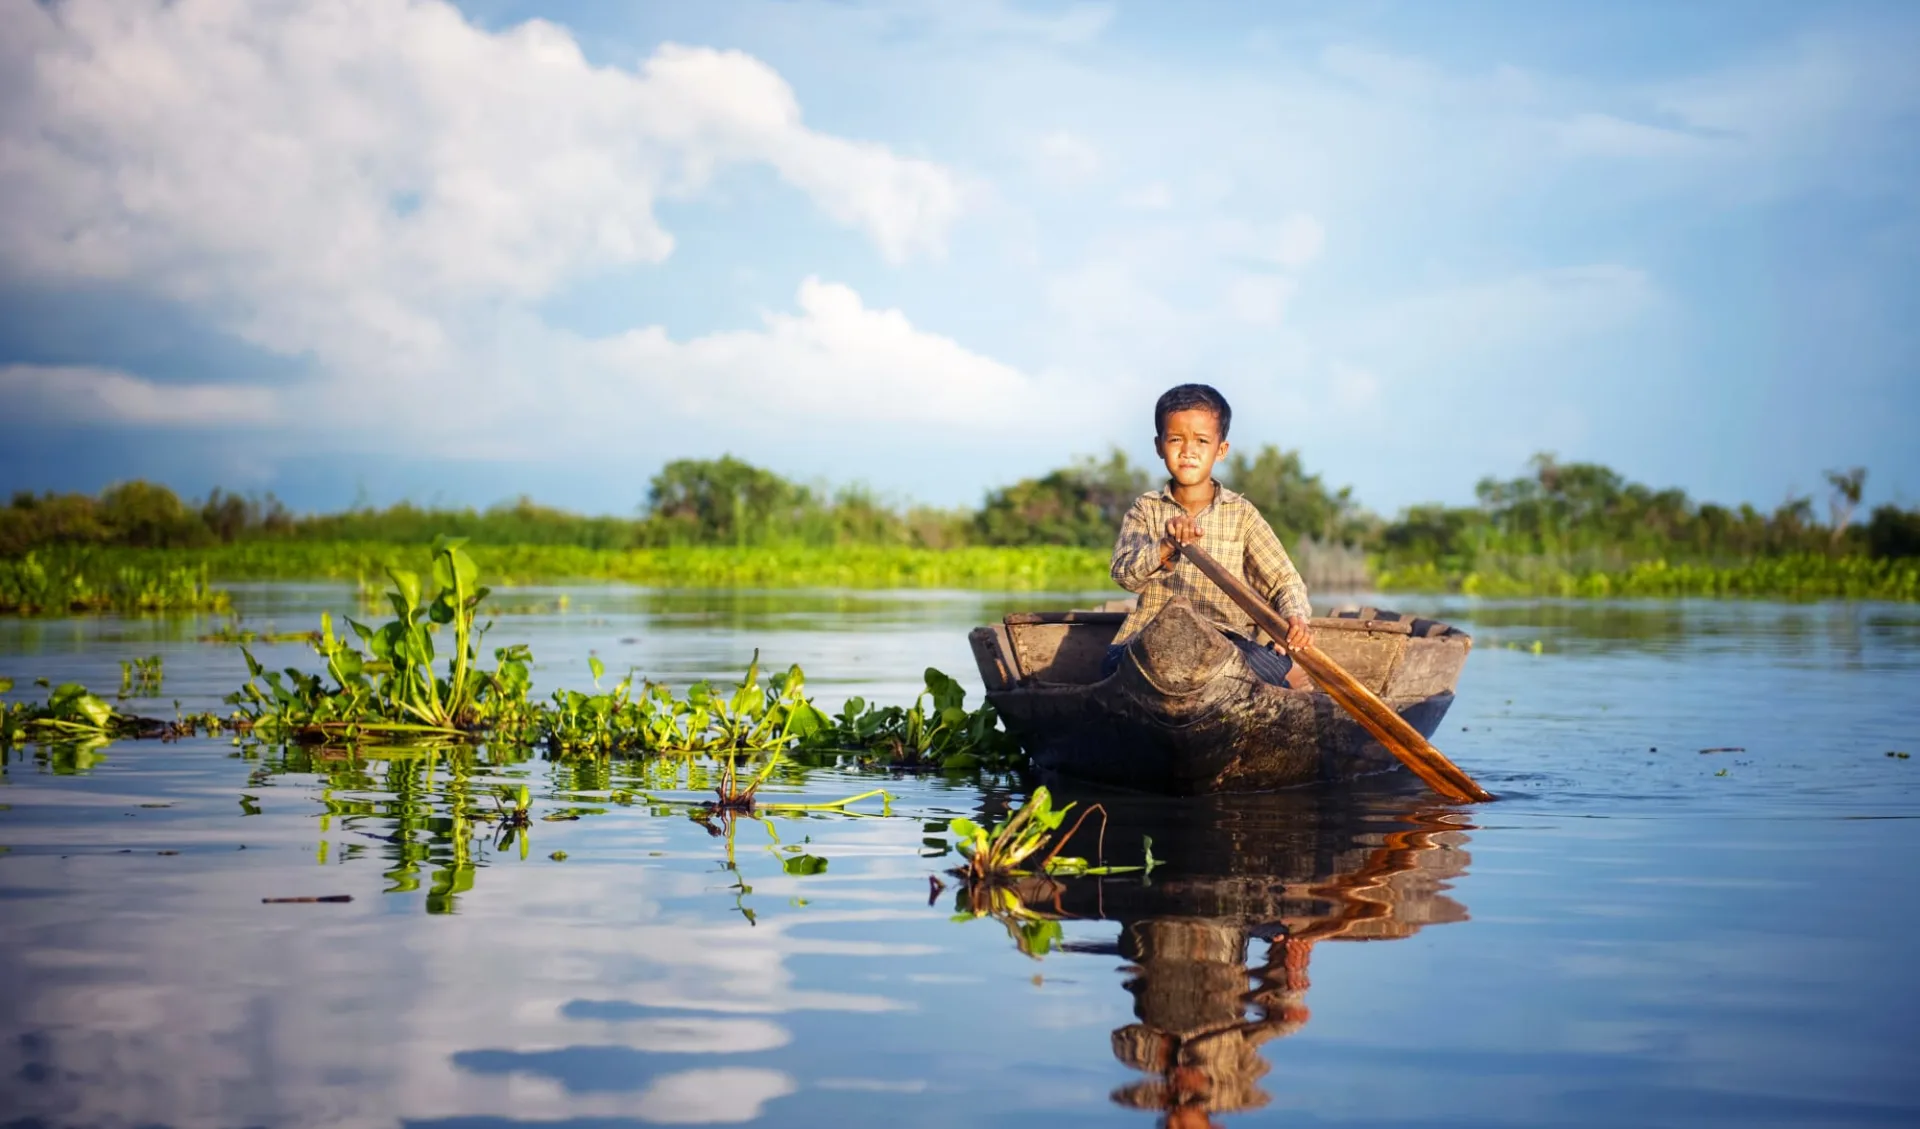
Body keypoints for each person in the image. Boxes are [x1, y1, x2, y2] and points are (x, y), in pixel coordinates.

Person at [1103, 383, 1313, 686]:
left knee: (1271, 665)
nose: (1188, 451)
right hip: (1150, 637)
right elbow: (1125, 575)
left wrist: (1295, 619)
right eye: (1175, 439)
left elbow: (1284, 582)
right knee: (1112, 665)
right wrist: (1165, 546)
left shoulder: (1241, 514)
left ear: (1221, 450)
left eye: (1201, 440)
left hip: (1224, 642)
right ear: (1159, 446)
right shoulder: (1146, 509)